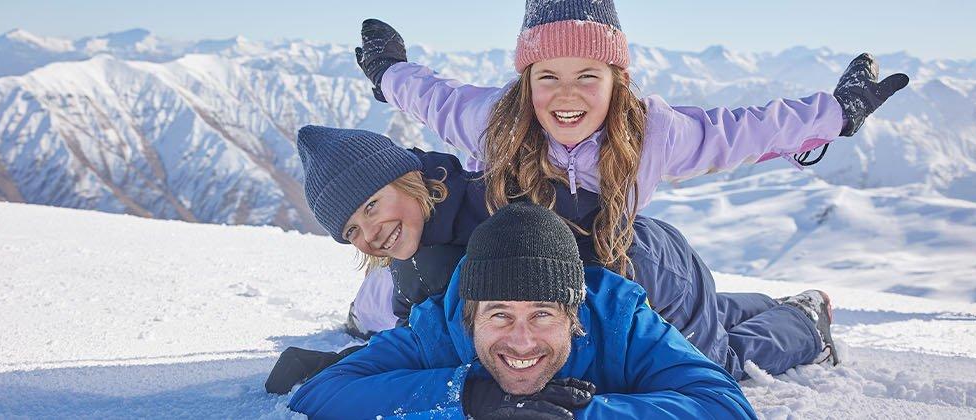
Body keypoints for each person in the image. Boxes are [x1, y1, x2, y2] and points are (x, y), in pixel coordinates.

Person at [354, 0, 909, 276]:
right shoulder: (495, 122)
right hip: (520, 274)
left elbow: (745, 129)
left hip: (608, 270)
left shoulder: (650, 133)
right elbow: (434, 96)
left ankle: (795, 320)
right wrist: (387, 72)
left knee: (699, 336)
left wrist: (837, 113)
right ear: (526, 83)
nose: (565, 95)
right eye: (547, 77)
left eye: (587, 76)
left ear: (616, 82)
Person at [265, 126, 834, 394]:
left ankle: (806, 321)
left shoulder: (503, 202)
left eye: (371, 206)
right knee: (696, 319)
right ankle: (759, 303)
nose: (369, 233)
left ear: (406, 178)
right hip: (625, 282)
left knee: (716, 361)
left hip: (645, 271)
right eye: (351, 230)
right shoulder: (416, 244)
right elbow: (429, 328)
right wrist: (347, 359)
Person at [288, 202, 758, 419]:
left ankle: (794, 315)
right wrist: (467, 396)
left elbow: (726, 406)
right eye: (499, 315)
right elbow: (320, 392)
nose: (521, 341)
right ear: (469, 317)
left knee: (739, 349)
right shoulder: (437, 331)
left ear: (574, 316)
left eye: (542, 314)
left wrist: (576, 414)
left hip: (672, 271)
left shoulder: (620, 319)